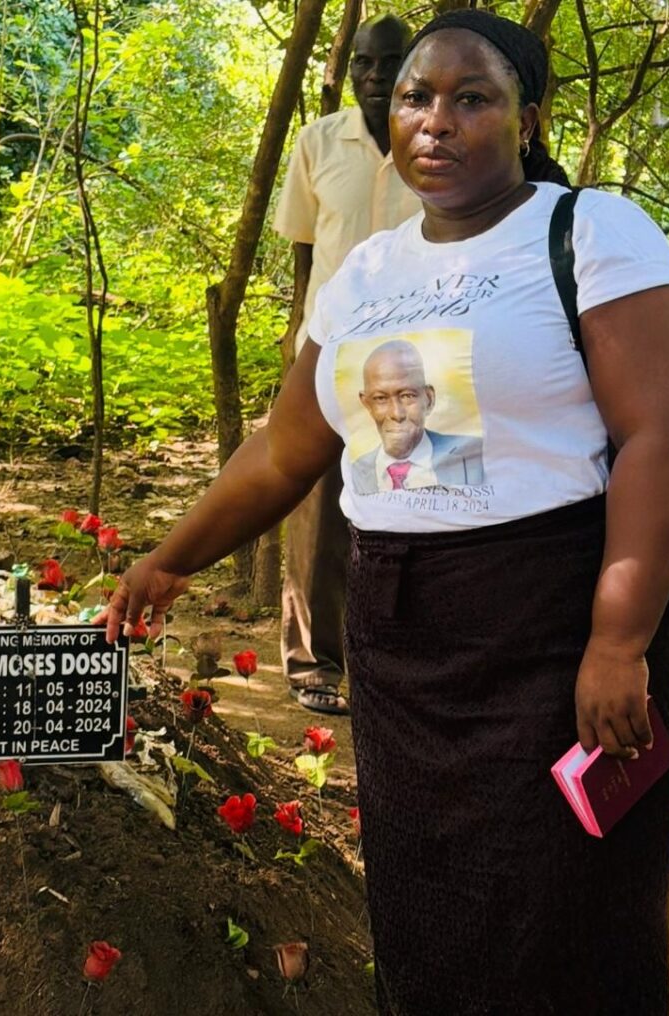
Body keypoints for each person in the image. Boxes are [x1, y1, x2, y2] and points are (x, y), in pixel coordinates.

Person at [99, 9, 669, 1014]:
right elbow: (288, 449)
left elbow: (660, 440)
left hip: (548, 627)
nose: (435, 119)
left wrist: (617, 639)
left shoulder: (591, 232)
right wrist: (171, 557)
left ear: (529, 117)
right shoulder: (368, 273)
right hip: (402, 636)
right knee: (428, 912)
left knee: (560, 916)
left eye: (473, 98)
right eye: (417, 96)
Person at [273, 13, 420, 714]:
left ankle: (392, 663)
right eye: (362, 63)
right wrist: (300, 340)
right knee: (316, 506)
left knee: (406, 501)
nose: (372, 76)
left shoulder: (431, 141)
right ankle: (311, 662)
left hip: (414, 357)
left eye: (387, 63)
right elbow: (304, 247)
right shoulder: (317, 142)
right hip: (327, 352)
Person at [352, 338, 483, 493]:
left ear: (428, 399)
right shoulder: (358, 470)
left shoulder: (473, 455)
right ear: (367, 404)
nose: (396, 414)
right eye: (381, 398)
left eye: (407, 396)